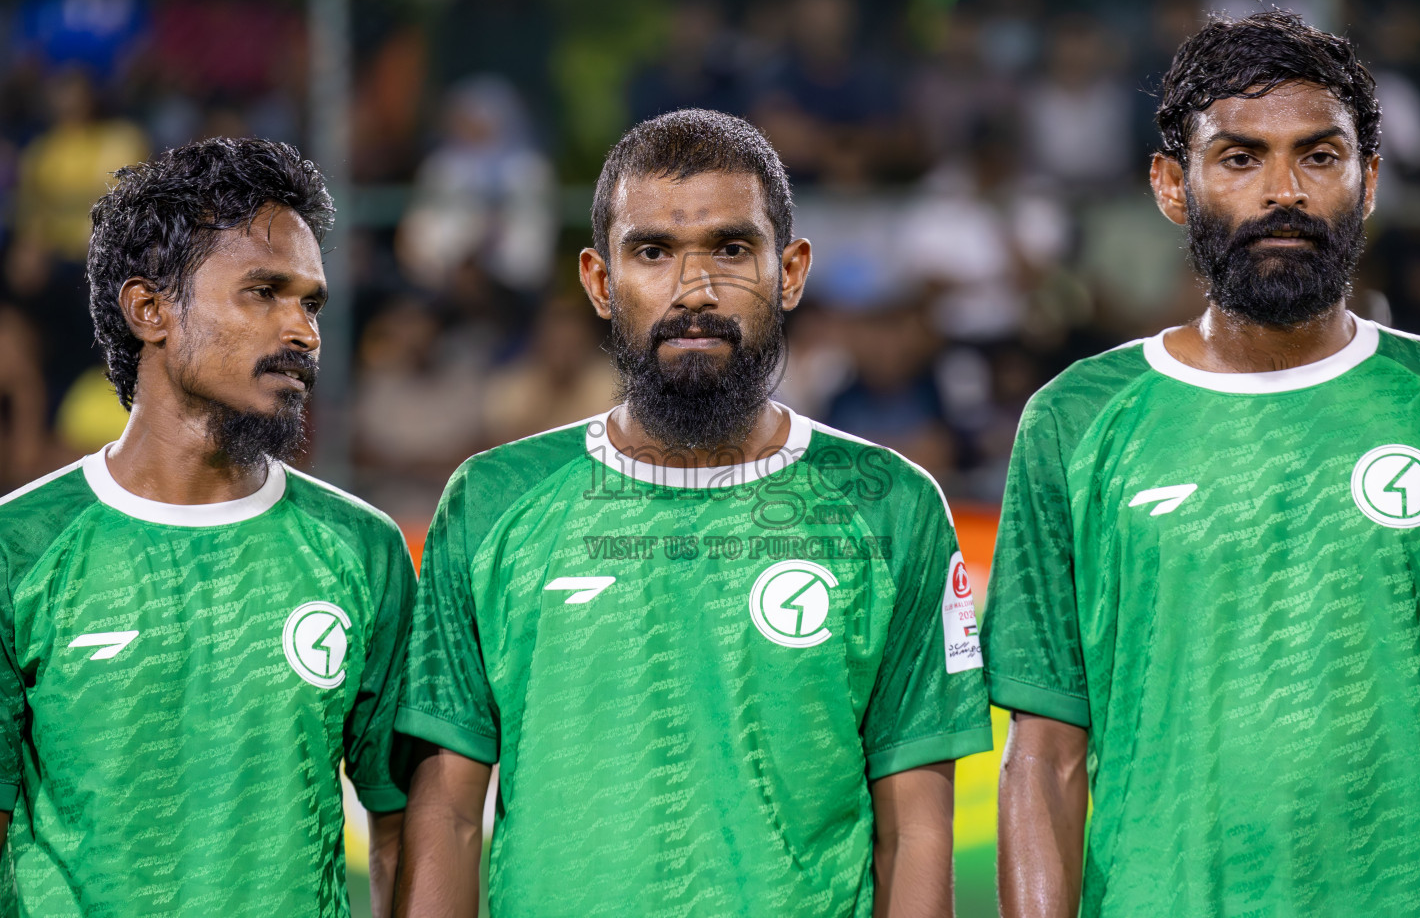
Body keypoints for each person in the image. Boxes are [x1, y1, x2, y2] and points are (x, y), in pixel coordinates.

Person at [393, 109, 990, 917]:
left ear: (792, 271)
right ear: (602, 284)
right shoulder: (491, 502)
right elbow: (450, 813)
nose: (695, 290)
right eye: (652, 252)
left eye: (731, 248)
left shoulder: (894, 506)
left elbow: (915, 830)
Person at [984, 9, 1420, 917]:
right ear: (1174, 185)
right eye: (1240, 158)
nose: (1282, 190)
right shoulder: (1075, 420)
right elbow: (1045, 751)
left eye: (1319, 156)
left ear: (1367, 181)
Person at [0, 138, 414, 917]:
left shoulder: (364, 550)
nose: (303, 332)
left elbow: (400, 832)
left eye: (311, 302)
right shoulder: (17, 549)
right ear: (150, 310)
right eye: (263, 292)